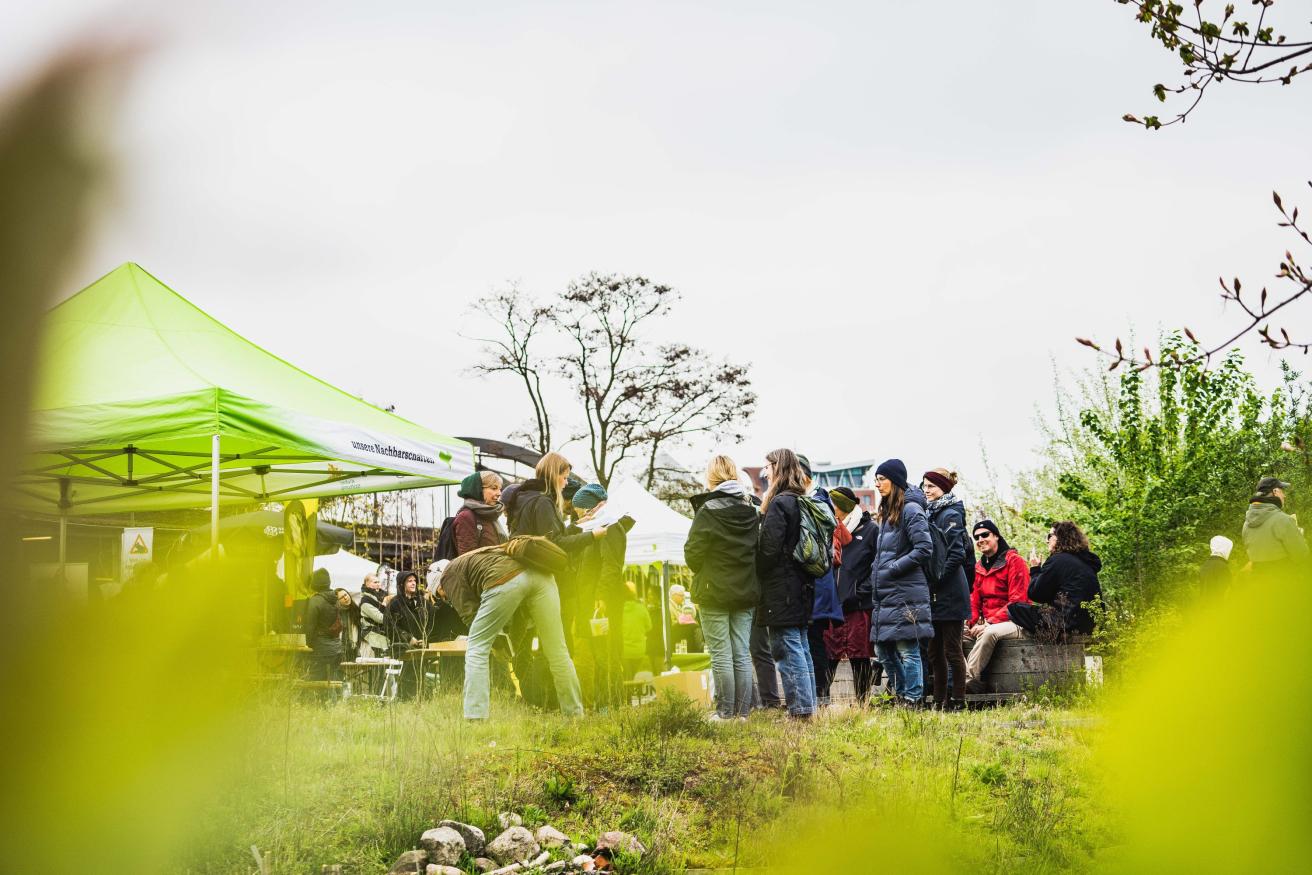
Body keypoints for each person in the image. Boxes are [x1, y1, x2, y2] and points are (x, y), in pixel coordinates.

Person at [437, 545, 583, 720]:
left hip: (507, 577)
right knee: (558, 651)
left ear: (438, 584)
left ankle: (475, 717)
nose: (445, 598)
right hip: (543, 577)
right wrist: (510, 647)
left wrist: (495, 644)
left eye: (441, 596)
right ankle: (574, 714)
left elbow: (469, 613)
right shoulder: (482, 555)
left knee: (476, 648)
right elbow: (521, 616)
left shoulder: (447, 574)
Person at [686, 454, 761, 721]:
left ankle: (725, 712)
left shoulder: (708, 509)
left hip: (713, 589)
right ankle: (743, 713)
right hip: (746, 589)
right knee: (741, 652)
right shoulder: (752, 507)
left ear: (712, 476)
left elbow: (692, 553)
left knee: (720, 653)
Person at [755, 448, 817, 719]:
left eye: (767, 467)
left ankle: (800, 710)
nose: (764, 472)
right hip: (801, 584)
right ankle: (808, 705)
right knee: (802, 646)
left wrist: (756, 566)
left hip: (782, 587)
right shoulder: (801, 500)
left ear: (777, 467)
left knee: (788, 648)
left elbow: (769, 550)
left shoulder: (780, 503)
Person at [867, 459, 934, 707]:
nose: (877, 484)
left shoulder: (911, 510)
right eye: (876, 479)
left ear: (895, 481)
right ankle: (900, 693)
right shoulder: (887, 512)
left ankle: (913, 698)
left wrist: (894, 568)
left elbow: (925, 548)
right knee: (883, 650)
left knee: (907, 648)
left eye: (881, 479)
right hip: (887, 592)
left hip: (905, 591)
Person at [568, 482, 630, 709]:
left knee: (608, 653)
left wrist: (601, 597)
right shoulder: (595, 526)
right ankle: (602, 702)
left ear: (591, 507)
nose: (580, 516)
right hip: (591, 600)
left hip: (604, 602)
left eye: (581, 511)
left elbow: (611, 565)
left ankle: (610, 704)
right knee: (598, 653)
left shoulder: (611, 527)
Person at [921, 469, 972, 711]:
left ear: (943, 488)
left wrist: (937, 578)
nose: (926, 490)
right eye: (924, 486)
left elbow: (956, 554)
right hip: (935, 592)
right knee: (934, 651)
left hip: (950, 591)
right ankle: (939, 700)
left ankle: (958, 700)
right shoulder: (931, 514)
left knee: (952, 649)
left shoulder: (950, 514)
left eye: (931, 486)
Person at [797, 454, 844, 707]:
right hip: (817, 583)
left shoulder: (815, 501)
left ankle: (820, 695)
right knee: (813, 639)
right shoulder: (816, 499)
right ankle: (818, 695)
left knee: (814, 639)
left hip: (818, 584)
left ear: (803, 475)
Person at [824, 486, 878, 704]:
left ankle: (862, 705)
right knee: (828, 655)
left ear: (842, 507)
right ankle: (822, 703)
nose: (829, 509)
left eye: (833, 505)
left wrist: (859, 592)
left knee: (860, 656)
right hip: (833, 606)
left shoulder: (870, 530)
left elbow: (876, 565)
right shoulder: (829, 529)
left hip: (858, 605)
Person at [963, 520, 1030, 693]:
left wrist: (990, 623)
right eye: (976, 537)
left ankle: (968, 681)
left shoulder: (1015, 561)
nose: (980, 539)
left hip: (1016, 620)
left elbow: (1018, 601)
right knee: (953, 635)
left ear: (996, 536)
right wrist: (971, 623)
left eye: (985, 535)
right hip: (988, 622)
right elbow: (974, 600)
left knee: (989, 633)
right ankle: (964, 679)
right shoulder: (979, 567)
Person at [1010, 521, 1103, 638]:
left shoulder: (1057, 560)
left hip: (1066, 624)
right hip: (1091, 625)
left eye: (1049, 536)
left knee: (1014, 608)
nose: (1046, 540)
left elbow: (1036, 594)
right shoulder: (1086, 563)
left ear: (1060, 538)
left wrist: (1034, 569)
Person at [1241, 476, 1309, 581]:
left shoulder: (1246, 524)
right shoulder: (1283, 520)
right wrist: (1298, 534)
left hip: (1258, 586)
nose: (1284, 496)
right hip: (1283, 585)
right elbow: (1302, 556)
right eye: (1282, 491)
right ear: (1275, 491)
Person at [387, 570, 435, 698]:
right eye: (409, 581)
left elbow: (431, 623)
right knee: (408, 675)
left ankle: (420, 697)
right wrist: (409, 638)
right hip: (402, 647)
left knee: (420, 674)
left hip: (422, 646)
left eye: (414, 581)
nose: (413, 583)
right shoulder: (394, 604)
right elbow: (390, 626)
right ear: (402, 584)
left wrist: (425, 639)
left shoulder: (423, 603)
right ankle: (406, 699)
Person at [303, 568, 345, 681]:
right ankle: (334, 699)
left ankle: (320, 699)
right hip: (336, 647)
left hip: (320, 647)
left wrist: (307, 645)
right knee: (333, 680)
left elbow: (310, 626)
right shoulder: (335, 599)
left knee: (316, 680)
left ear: (315, 583)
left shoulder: (315, 601)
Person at [453, 471, 507, 556]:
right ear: (478, 490)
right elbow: (468, 559)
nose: (499, 493)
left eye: (499, 489)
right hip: (486, 569)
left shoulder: (490, 514)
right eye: (494, 488)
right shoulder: (466, 517)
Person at [621, 582, 652, 681]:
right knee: (633, 675)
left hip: (623, 650)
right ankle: (631, 692)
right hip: (639, 650)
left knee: (626, 676)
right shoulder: (641, 608)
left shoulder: (618, 610)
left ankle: (628, 694)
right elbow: (649, 627)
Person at [357, 571, 389, 658]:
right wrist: (385, 603)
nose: (378, 584)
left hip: (380, 633)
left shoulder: (378, 597)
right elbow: (380, 618)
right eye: (375, 582)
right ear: (367, 584)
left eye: (378, 582)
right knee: (379, 662)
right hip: (371, 634)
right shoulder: (365, 601)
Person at [668, 585, 703, 652]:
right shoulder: (669, 607)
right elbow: (670, 624)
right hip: (676, 641)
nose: (683, 598)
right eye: (681, 595)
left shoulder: (677, 606)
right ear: (674, 595)